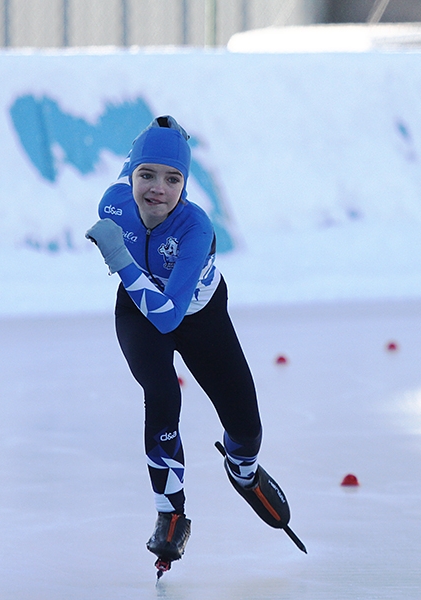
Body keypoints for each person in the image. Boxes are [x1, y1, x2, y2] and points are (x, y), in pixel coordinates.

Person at [85, 116, 295, 574]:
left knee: (247, 426)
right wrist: (163, 130)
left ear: (185, 184)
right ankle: (171, 512)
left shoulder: (195, 228)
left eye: (173, 178)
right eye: (147, 176)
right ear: (132, 176)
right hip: (138, 314)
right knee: (162, 395)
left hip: (196, 317)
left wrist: (118, 257)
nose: (157, 189)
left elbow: (169, 316)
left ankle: (242, 470)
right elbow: (137, 158)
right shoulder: (114, 204)